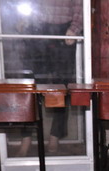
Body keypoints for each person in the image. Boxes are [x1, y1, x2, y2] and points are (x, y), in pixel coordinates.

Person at [12, 0, 83, 155]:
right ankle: (26, 138)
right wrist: (22, 20)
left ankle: (55, 137)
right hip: (36, 28)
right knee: (30, 86)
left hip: (63, 30)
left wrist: (74, 28)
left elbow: (80, 4)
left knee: (61, 88)